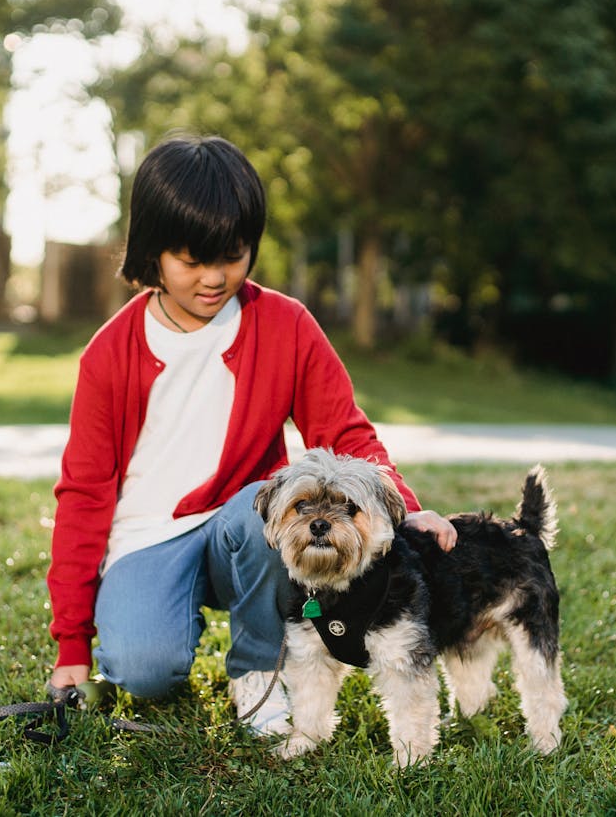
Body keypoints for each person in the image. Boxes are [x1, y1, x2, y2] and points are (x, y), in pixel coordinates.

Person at [46, 134, 456, 735]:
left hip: (247, 527)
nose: (214, 278)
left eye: (232, 256)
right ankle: (151, 627)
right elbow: (83, 496)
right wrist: (71, 646)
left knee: (266, 504)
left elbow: (345, 431)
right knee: (144, 672)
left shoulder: (285, 324)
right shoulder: (109, 354)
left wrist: (406, 510)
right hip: (147, 538)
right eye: (191, 260)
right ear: (152, 252)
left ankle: (258, 677)